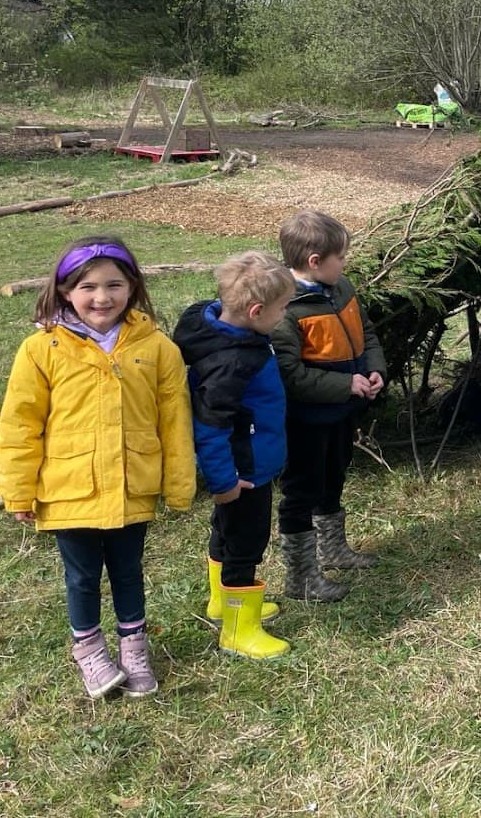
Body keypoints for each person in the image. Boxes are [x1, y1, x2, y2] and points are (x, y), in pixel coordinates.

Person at [0, 236, 195, 699]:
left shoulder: (158, 348)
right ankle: (88, 649)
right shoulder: (40, 349)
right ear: (66, 290)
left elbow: (175, 419)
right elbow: (20, 424)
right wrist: (19, 491)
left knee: (129, 570)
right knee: (82, 574)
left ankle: (134, 647)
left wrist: (179, 484)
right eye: (88, 286)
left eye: (113, 285)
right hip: (70, 489)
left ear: (133, 288)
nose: (101, 297)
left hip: (132, 484)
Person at [174, 251, 294, 659]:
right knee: (245, 544)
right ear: (256, 311)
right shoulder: (234, 364)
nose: (284, 316)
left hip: (247, 466)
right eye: (281, 309)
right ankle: (239, 631)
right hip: (245, 473)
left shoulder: (208, 320)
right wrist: (224, 483)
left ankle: (220, 602)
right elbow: (209, 429)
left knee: (224, 532)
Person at [271, 210, 387, 602]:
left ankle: (333, 549)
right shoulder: (285, 309)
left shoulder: (342, 289)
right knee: (302, 491)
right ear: (315, 262)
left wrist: (374, 370)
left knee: (333, 476)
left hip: (340, 413)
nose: (346, 263)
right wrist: (344, 384)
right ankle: (301, 576)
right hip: (304, 421)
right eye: (341, 257)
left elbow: (365, 334)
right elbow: (290, 375)